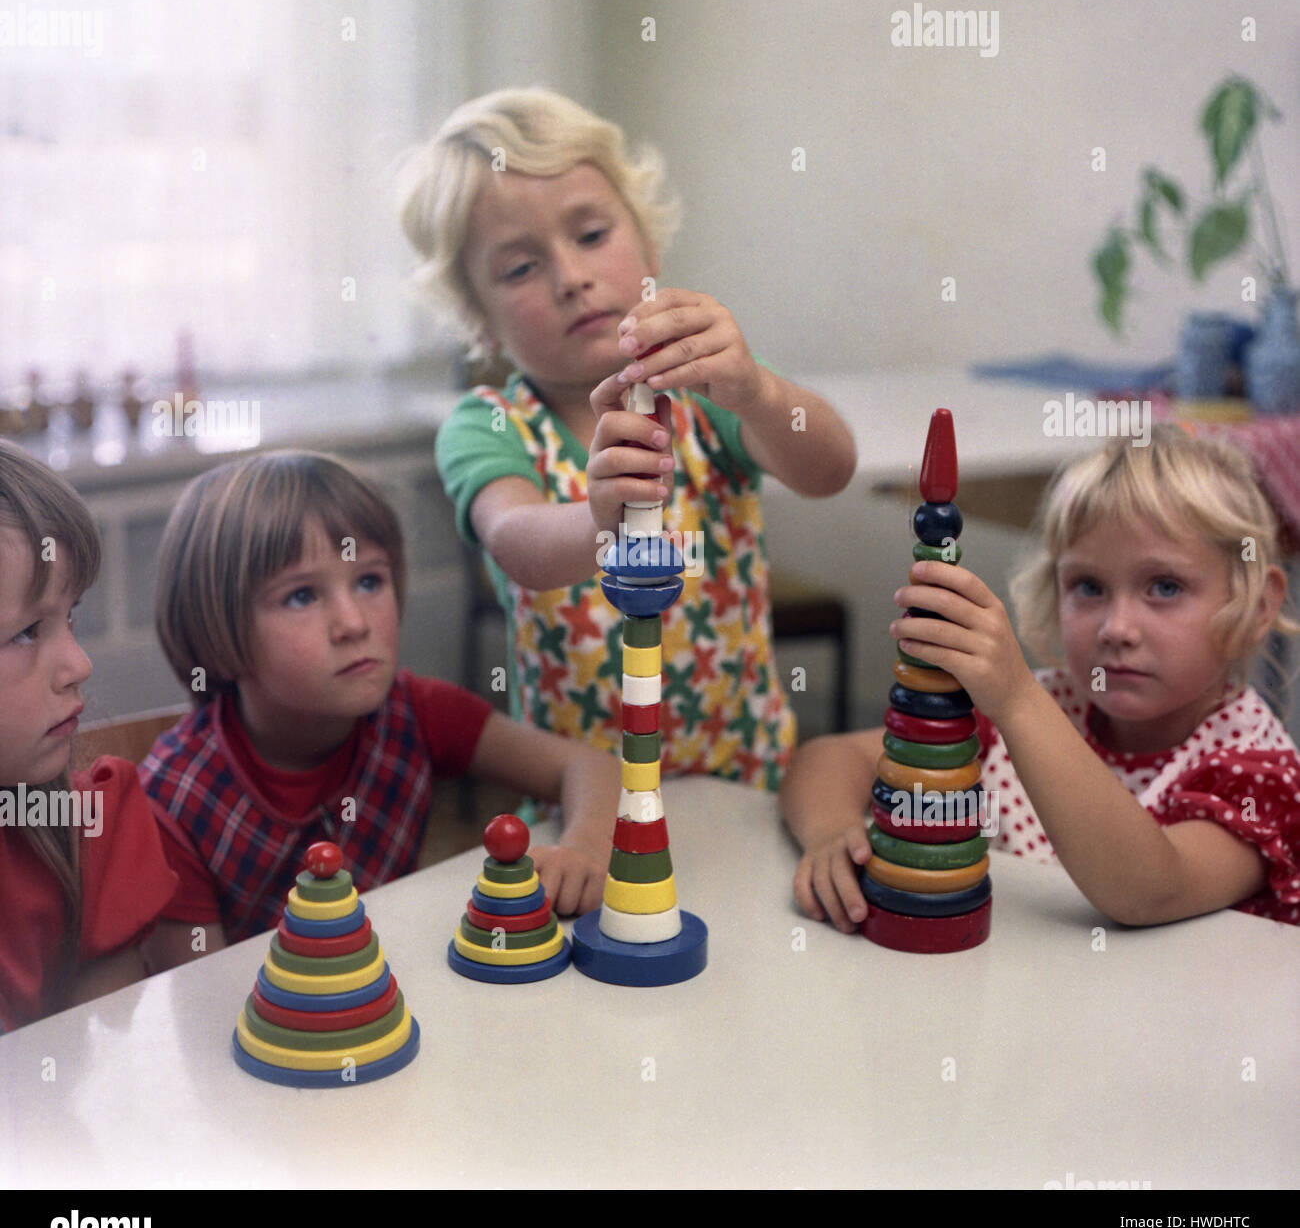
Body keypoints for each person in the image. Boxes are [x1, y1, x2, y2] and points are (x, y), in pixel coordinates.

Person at [400, 87, 856, 813]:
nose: (570, 278)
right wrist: (597, 518)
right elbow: (519, 542)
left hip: (745, 790)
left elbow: (831, 467)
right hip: (582, 818)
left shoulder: (706, 386)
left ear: (646, 239)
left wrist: (759, 393)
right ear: (477, 318)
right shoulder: (486, 425)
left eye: (590, 235)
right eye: (520, 268)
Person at [784, 425, 1300, 930]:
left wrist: (1017, 700)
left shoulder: (1258, 774)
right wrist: (833, 833)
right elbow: (826, 759)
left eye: (1165, 587)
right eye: (1089, 586)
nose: (1117, 628)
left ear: (1256, 606)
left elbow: (1148, 891)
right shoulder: (1039, 710)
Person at [139, 449, 620, 967]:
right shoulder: (171, 803)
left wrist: (586, 849)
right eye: (302, 596)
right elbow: (195, 999)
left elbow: (588, 766)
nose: (353, 623)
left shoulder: (416, 712)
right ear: (215, 631)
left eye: (369, 581)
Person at [0, 441, 177, 1031]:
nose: (79, 664)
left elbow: (95, 1065)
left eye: (69, 616)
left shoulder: (91, 826)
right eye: (27, 632)